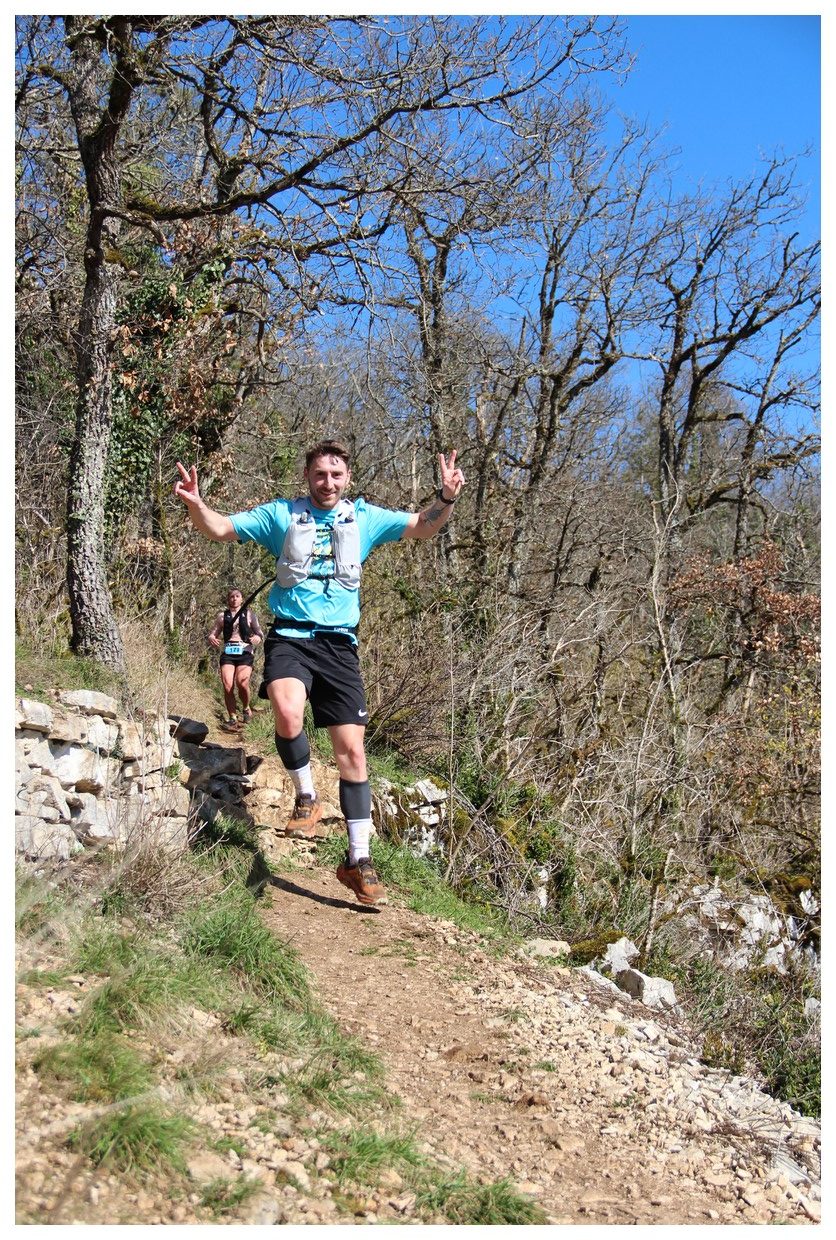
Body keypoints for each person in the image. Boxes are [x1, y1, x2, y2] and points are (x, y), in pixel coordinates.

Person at [174, 438, 464, 906]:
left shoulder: (364, 518)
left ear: (347, 478)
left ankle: (358, 859)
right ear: (307, 477)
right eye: (319, 474)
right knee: (287, 711)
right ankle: (306, 797)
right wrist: (195, 503)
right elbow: (221, 528)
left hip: (340, 647)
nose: (327, 482)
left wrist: (446, 496)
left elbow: (422, 526)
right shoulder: (281, 516)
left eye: (336, 475)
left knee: (353, 753)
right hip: (291, 637)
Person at [208, 587, 264, 730]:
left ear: (242, 599)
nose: (234, 599)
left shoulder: (249, 614)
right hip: (228, 652)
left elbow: (259, 633)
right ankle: (232, 717)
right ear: (228, 599)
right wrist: (212, 638)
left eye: (237, 596)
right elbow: (213, 633)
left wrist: (257, 638)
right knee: (227, 685)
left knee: (242, 682)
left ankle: (246, 708)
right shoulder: (222, 616)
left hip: (245, 651)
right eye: (232, 596)